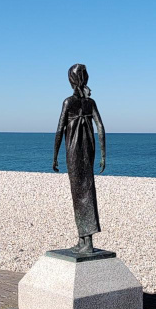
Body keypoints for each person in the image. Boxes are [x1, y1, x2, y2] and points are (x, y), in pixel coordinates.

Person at [52, 63, 106, 254]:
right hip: (89, 150)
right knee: (86, 190)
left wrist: (55, 155)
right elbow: (100, 127)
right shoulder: (90, 103)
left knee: (80, 193)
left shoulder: (68, 102)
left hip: (74, 151)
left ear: (71, 80)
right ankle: (83, 239)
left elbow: (59, 129)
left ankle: (87, 241)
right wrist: (103, 154)